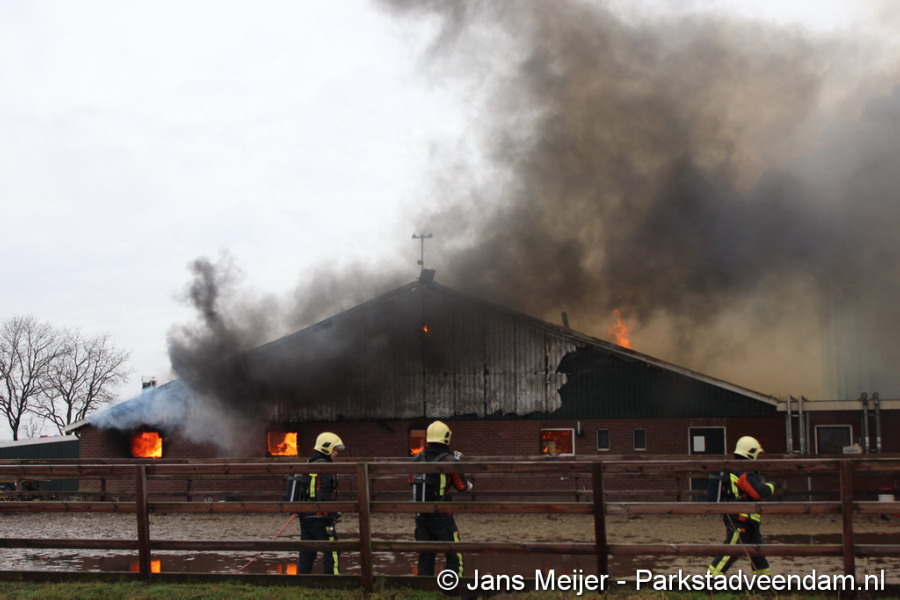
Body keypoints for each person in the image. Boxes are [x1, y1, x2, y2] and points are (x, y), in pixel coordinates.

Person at [409, 420, 473, 577]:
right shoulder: (449, 460)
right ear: (446, 437)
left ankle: (424, 586)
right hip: (442, 516)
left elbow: (410, 481)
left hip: (421, 516)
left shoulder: (417, 459)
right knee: (454, 553)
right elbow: (462, 486)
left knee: (425, 555)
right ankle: (452, 584)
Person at [708, 435, 776, 576]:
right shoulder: (745, 472)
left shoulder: (737, 469)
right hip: (741, 519)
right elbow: (758, 492)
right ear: (751, 453)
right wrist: (772, 486)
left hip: (748, 519)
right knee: (731, 550)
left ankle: (763, 580)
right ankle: (712, 578)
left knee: (757, 552)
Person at [286, 432, 345, 575]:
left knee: (307, 551)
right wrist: (333, 511)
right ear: (327, 448)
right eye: (334, 449)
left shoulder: (309, 464)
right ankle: (332, 581)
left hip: (305, 516)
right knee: (332, 550)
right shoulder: (325, 468)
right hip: (321, 517)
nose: (336, 453)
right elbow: (323, 493)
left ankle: (302, 581)